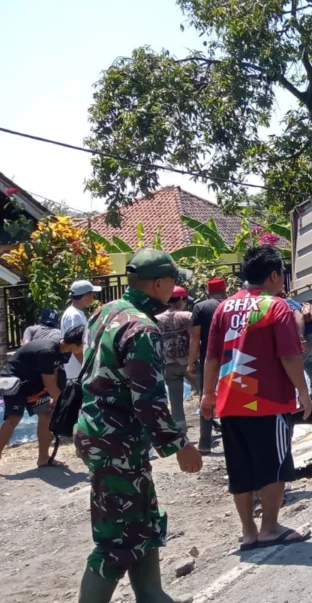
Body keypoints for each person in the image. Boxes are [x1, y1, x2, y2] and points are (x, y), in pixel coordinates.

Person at [72, 249, 203, 603]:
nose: (176, 288)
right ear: (159, 284)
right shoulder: (142, 328)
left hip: (100, 432)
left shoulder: (106, 312)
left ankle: (153, 594)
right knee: (117, 539)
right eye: (173, 282)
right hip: (117, 441)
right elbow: (148, 399)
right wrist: (180, 446)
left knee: (141, 517)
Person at [200, 246, 312, 551]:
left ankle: (249, 532)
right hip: (268, 401)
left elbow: (211, 357)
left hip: (230, 400)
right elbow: (289, 356)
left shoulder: (224, 308)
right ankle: (271, 528)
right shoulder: (276, 307)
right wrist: (303, 392)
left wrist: (207, 394)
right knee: (275, 464)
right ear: (274, 275)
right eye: (282, 274)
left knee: (240, 468)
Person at [0, 325, 85, 467]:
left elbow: (55, 371)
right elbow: (49, 382)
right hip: (16, 379)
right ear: (73, 345)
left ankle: (43, 459)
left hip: (35, 382)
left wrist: (54, 396)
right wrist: (61, 401)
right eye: (83, 345)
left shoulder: (64, 351)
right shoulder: (48, 351)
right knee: (14, 418)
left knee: (46, 415)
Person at [188, 278, 227, 453]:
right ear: (224, 290)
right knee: (231, 396)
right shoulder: (233, 304)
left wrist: (191, 362)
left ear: (208, 291)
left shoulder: (200, 307)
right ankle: (232, 440)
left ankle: (204, 444)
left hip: (208, 359)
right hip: (232, 358)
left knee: (206, 398)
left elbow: (195, 338)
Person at [156, 286, 193, 436]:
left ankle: (180, 433)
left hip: (168, 364)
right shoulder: (187, 316)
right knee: (204, 395)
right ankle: (207, 430)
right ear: (181, 300)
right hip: (189, 363)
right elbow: (194, 339)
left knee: (175, 402)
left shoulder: (157, 318)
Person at [61, 279, 101, 383]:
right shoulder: (73, 315)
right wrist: (88, 369)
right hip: (77, 372)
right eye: (92, 294)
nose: (93, 297)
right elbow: (75, 346)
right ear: (86, 295)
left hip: (78, 371)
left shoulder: (77, 313)